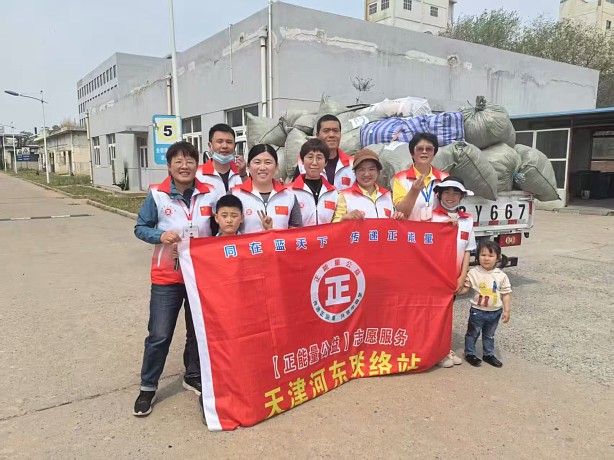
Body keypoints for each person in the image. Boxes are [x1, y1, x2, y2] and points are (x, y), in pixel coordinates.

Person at [133, 141, 219, 417]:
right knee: (159, 334)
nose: (184, 166)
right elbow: (140, 227)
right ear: (169, 166)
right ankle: (148, 387)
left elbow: (219, 227)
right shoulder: (157, 195)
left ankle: (192, 374)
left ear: (197, 165)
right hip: (167, 276)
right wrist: (160, 235)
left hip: (201, 276)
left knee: (197, 331)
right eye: (178, 162)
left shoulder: (210, 194)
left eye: (190, 161)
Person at [431, 176, 477, 368]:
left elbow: (467, 250)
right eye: (447, 192)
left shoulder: (467, 220)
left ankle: (444, 349)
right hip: (434, 276)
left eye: (455, 193)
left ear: (461, 197)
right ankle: (434, 352)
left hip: (454, 277)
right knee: (434, 314)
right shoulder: (430, 217)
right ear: (439, 195)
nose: (450, 197)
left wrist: (462, 276)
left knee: (447, 313)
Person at [459, 241, 512, 368]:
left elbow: (505, 294)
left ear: (497, 258)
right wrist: (454, 292)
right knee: (472, 334)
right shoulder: (473, 273)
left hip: (495, 312)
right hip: (477, 311)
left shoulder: (501, 275)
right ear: (478, 256)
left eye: (490, 255)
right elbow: (465, 288)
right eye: (483, 255)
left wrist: (507, 310)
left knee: (489, 335)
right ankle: (470, 353)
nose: (486, 258)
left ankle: (488, 354)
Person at [231, 144, 303, 233]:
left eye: (268, 162)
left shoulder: (289, 196)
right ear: (248, 167)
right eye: (257, 162)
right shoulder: (235, 194)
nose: (262, 168)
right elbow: (226, 232)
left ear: (276, 167)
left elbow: (296, 234)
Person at [332, 148, 404, 222]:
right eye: (361, 169)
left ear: (378, 172)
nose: (366, 174)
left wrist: (397, 218)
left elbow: (392, 222)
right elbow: (335, 225)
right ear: (355, 173)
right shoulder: (345, 195)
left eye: (371, 169)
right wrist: (345, 218)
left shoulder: (387, 195)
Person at [392, 133, 449, 221]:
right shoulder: (401, 178)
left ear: (434, 153)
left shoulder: (445, 178)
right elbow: (402, 211)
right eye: (420, 149)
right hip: (412, 229)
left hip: (438, 228)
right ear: (412, 153)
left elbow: (451, 206)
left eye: (429, 149)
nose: (424, 152)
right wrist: (414, 191)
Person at [292, 114, 355, 190]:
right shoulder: (305, 162)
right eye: (326, 131)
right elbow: (294, 189)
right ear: (317, 136)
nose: (331, 135)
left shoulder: (352, 164)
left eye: (335, 131)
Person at [291, 138, 339, 226]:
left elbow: (337, 223)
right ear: (302, 161)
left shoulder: (333, 193)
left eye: (319, 158)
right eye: (310, 157)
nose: (314, 162)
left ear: (326, 162)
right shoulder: (290, 192)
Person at [196, 123, 247, 196]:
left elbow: (251, 198)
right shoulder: (197, 175)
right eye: (219, 142)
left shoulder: (243, 173)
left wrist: (243, 175)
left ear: (234, 146)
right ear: (210, 145)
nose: (224, 146)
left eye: (229, 142)